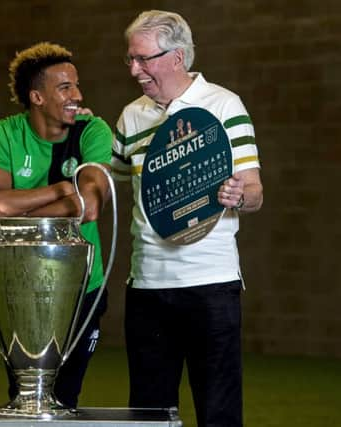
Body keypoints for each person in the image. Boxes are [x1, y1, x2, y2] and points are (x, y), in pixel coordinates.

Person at [111, 10, 263, 427]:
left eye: (144, 59)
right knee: (148, 413)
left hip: (210, 287)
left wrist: (238, 194)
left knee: (218, 413)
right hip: (146, 288)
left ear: (177, 57)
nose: (135, 69)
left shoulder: (224, 105)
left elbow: (254, 193)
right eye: (130, 59)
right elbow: (108, 181)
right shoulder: (131, 117)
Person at [0, 42, 112, 408]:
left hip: (84, 283)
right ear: (37, 96)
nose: (77, 95)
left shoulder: (92, 130)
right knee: (23, 396)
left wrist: (16, 211)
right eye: (65, 87)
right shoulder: (5, 133)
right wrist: (60, 188)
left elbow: (88, 207)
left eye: (76, 85)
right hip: (19, 282)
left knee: (65, 397)